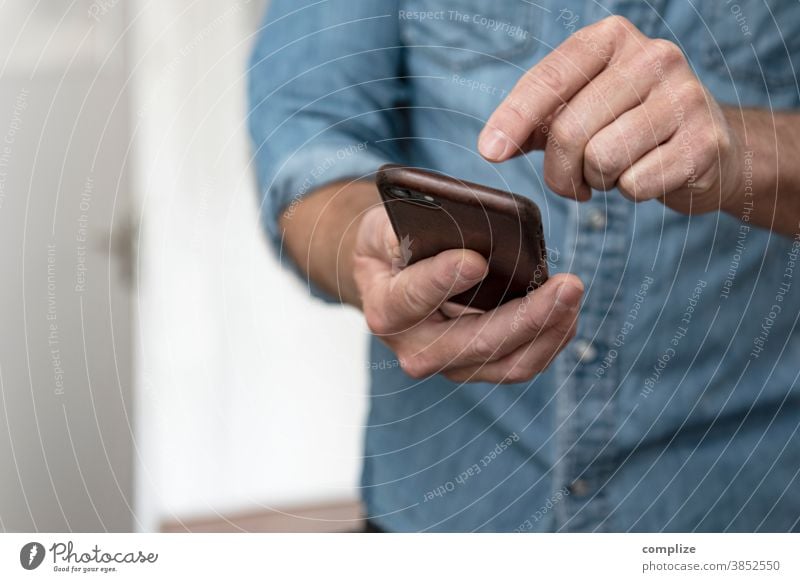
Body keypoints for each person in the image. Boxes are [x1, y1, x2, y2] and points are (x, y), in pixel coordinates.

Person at [247, 0, 800, 532]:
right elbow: (305, 134)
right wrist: (362, 244)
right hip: (442, 512)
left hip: (741, 512)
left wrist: (748, 148)